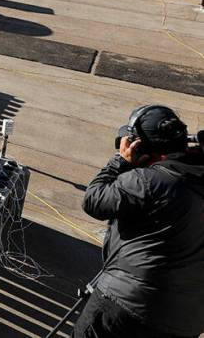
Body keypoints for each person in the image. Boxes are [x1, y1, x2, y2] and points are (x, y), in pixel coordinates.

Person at [74, 105, 204, 338]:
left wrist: (120, 162)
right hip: (186, 322)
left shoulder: (148, 181)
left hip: (125, 306)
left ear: (140, 147)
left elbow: (94, 200)